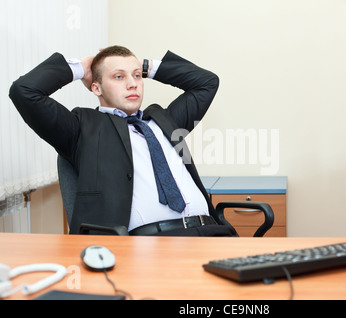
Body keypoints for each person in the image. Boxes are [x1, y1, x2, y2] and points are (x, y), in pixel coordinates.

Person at [9, 46, 236, 236]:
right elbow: (24, 91)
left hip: (212, 232)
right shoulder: (82, 129)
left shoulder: (164, 120)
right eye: (119, 77)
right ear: (96, 87)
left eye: (136, 76)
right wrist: (82, 67)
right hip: (149, 244)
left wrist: (144, 66)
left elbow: (207, 82)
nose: (132, 83)